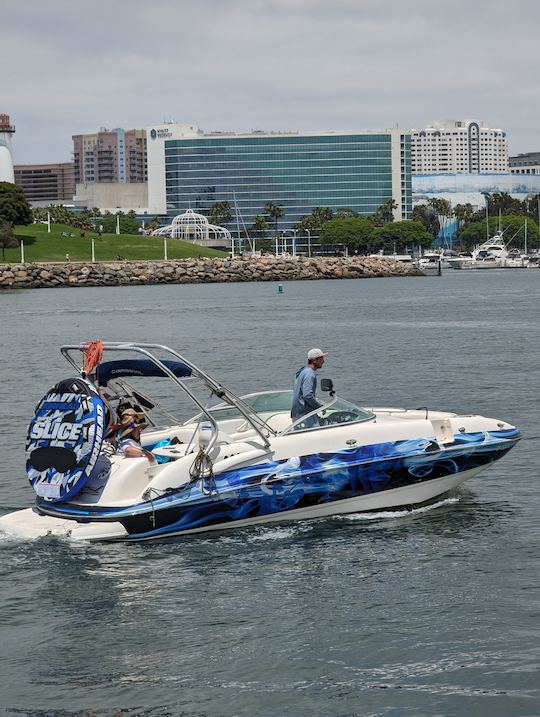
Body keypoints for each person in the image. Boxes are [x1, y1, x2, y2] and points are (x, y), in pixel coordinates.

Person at [291, 348, 328, 422]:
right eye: (321, 359)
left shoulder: (302, 371)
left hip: (297, 414)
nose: (323, 361)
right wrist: (320, 407)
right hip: (305, 416)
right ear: (314, 360)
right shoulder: (309, 374)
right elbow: (307, 395)